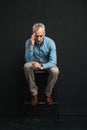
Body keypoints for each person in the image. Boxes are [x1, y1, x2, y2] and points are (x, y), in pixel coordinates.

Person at [24, 23, 60, 106]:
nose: (39, 39)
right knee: (26, 66)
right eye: (36, 36)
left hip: (47, 64)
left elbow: (53, 62)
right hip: (33, 63)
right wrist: (32, 45)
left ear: (44, 33)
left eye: (41, 36)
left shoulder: (51, 42)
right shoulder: (29, 42)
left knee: (55, 71)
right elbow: (28, 60)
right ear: (33, 34)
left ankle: (48, 94)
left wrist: (42, 66)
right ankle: (34, 94)